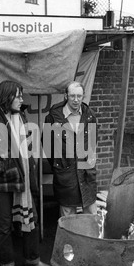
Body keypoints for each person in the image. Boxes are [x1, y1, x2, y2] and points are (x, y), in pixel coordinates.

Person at [0, 80, 51, 266]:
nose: (21, 99)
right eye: (17, 96)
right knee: (4, 224)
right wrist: (3, 168)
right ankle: (7, 263)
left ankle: (32, 259)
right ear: (6, 97)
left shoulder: (22, 116)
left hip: (24, 179)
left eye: (21, 95)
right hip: (1, 182)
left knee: (30, 218)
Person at [44, 81, 98, 217]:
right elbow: (47, 146)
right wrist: (59, 164)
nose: (76, 100)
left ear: (83, 96)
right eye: (72, 96)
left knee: (91, 218)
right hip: (65, 175)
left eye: (79, 96)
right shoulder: (53, 117)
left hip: (86, 174)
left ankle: (90, 240)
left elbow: (93, 143)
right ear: (65, 96)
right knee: (68, 219)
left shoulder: (90, 116)